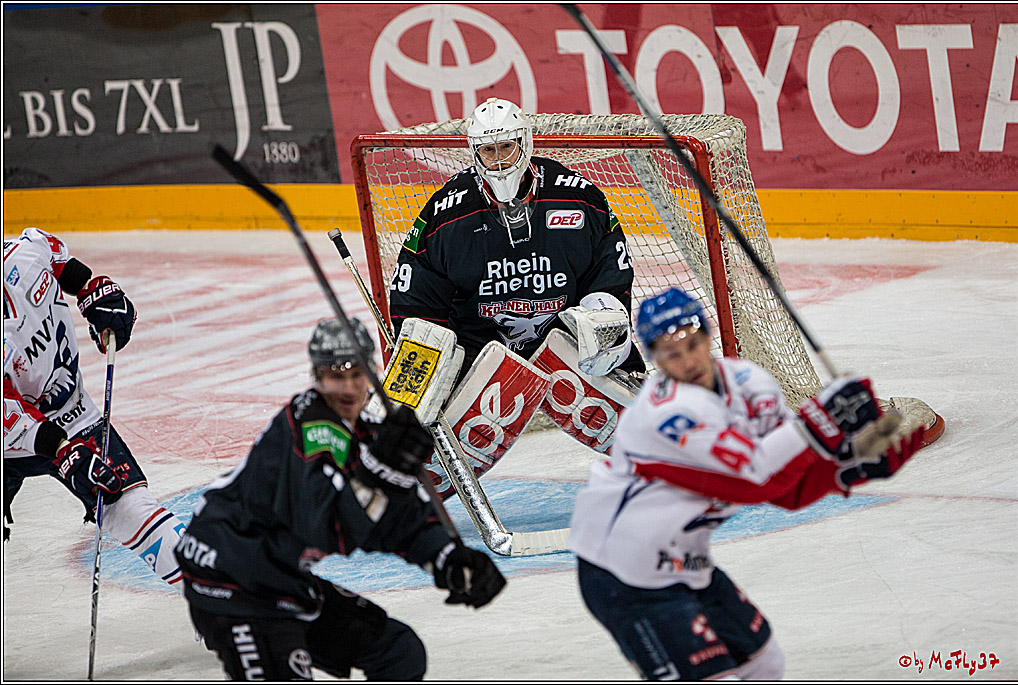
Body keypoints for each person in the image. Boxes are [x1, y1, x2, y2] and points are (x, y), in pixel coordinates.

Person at [566, 287, 925, 681]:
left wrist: (848, 463)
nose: (688, 361)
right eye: (672, 353)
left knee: (765, 665)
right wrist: (822, 420)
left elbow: (784, 489)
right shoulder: (662, 415)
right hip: (622, 570)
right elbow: (754, 478)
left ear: (707, 337)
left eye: (693, 344)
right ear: (655, 359)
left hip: (687, 562)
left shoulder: (750, 384)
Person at [175, 317, 506, 681]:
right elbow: (323, 527)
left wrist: (447, 556)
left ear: (374, 372)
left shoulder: (364, 432)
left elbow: (400, 519)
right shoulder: (309, 429)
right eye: (335, 375)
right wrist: (380, 473)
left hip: (281, 577)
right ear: (317, 376)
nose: (348, 388)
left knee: (398, 652)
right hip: (232, 580)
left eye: (356, 372)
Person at [387, 97, 647, 495]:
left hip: (566, 343)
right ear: (475, 153)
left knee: (606, 329)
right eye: (488, 150)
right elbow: (415, 301)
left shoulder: (577, 196)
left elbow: (610, 275)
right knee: (411, 390)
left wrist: (605, 318)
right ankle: (397, 488)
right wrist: (421, 378)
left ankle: (665, 450)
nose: (499, 160)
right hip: (480, 356)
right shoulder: (446, 212)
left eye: (506, 146)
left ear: (525, 143)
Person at [3, 226, 186, 588]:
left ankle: (220, 603)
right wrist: (61, 451)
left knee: (129, 505)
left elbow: (55, 254)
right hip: (13, 437)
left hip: (71, 411)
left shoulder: (22, 255)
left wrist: (92, 290)